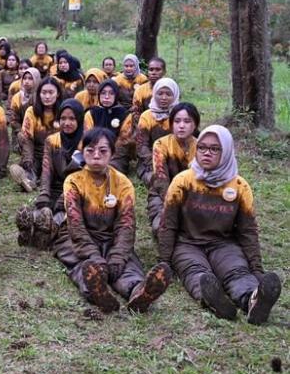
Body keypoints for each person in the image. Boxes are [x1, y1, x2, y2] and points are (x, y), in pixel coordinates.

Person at [158, 125, 281, 324]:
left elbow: (248, 231)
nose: (207, 153)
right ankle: (214, 302)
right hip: (187, 243)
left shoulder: (239, 186)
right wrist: (164, 261)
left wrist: (257, 269)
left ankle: (253, 300)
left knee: (236, 271)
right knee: (197, 272)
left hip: (223, 244)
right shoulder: (183, 181)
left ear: (227, 151)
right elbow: (168, 224)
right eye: (202, 147)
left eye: (215, 149)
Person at [53, 128, 170, 313]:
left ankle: (138, 291)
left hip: (110, 237)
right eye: (90, 150)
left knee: (126, 264)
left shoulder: (123, 183)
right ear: (83, 152)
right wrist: (92, 255)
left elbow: (126, 224)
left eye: (103, 150)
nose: (96, 155)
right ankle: (97, 292)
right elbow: (75, 224)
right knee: (82, 265)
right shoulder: (73, 181)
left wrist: (117, 256)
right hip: (76, 238)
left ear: (112, 153)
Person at [16, 98, 84, 249]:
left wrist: (65, 197)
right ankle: (29, 231)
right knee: (43, 210)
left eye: (72, 119)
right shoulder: (51, 140)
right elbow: (47, 170)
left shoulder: (87, 144)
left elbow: (82, 177)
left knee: (62, 217)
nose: (67, 123)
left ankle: (47, 235)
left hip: (76, 193)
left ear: (80, 120)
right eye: (63, 118)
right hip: (55, 189)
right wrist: (44, 194)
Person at [147, 103, 199, 236]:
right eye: (177, 121)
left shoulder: (201, 147)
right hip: (162, 195)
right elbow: (161, 179)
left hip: (193, 196)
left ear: (195, 125)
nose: (181, 125)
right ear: (171, 124)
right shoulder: (161, 144)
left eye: (187, 121)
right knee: (163, 228)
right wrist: (174, 203)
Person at [10, 77, 64, 192]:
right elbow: (27, 138)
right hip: (37, 153)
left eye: (51, 92)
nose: (47, 96)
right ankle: (29, 179)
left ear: (58, 94)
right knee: (30, 168)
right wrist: (28, 160)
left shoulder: (64, 111)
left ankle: (46, 180)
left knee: (56, 171)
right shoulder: (32, 111)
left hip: (57, 153)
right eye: (44, 93)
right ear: (39, 94)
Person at [136, 77, 180, 187]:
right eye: (160, 94)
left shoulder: (180, 115)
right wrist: (154, 163)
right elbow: (141, 145)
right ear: (154, 94)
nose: (164, 98)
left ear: (175, 95)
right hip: (150, 161)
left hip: (176, 159)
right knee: (157, 180)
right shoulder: (146, 116)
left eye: (168, 94)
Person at [84, 80, 132, 174]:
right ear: (98, 94)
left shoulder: (124, 114)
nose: (106, 97)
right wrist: (98, 152)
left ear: (116, 95)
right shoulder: (91, 113)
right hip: (94, 151)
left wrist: (109, 153)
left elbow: (124, 139)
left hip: (117, 154)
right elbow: (87, 137)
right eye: (103, 93)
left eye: (111, 93)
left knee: (110, 170)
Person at [7, 67, 40, 152]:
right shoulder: (17, 97)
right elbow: (14, 119)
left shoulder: (42, 96)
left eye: (30, 78)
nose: (26, 81)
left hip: (38, 130)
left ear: (36, 79)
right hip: (20, 130)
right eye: (24, 78)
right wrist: (21, 131)